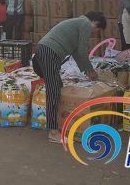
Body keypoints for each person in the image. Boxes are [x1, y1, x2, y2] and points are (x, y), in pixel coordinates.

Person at [33, 12, 106, 143]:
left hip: (44, 52)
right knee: (54, 91)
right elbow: (82, 51)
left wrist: (86, 70)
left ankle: (57, 123)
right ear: (95, 23)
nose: (94, 33)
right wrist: (90, 70)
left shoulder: (77, 23)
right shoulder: (85, 24)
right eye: (97, 30)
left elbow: (77, 53)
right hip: (49, 53)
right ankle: (53, 132)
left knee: (57, 87)